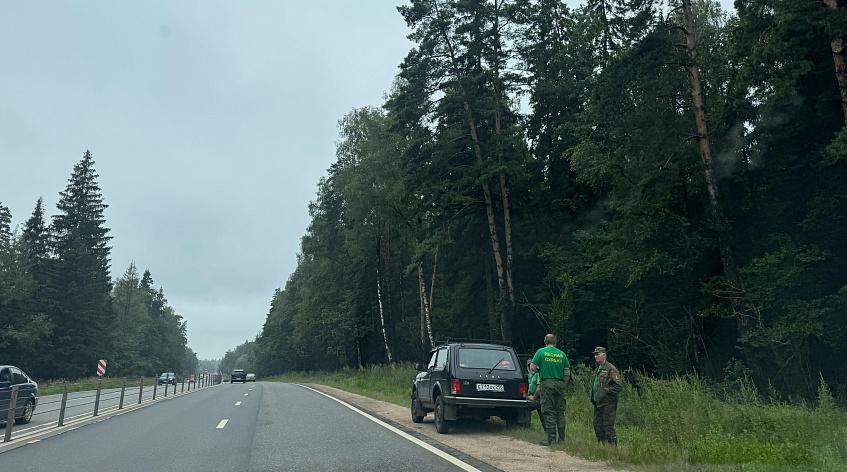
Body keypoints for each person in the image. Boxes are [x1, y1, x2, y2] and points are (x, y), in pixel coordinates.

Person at [530, 334, 570, 445]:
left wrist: (541, 371)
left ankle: (551, 439)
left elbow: (532, 367)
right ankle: (561, 439)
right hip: (559, 383)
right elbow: (567, 372)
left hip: (546, 383)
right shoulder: (562, 354)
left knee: (548, 411)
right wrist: (563, 385)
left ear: (545, 341)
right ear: (556, 342)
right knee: (559, 411)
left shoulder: (541, 352)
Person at [591, 346, 622, 446]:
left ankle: (613, 447)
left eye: (598, 354)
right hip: (598, 402)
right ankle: (602, 446)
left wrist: (606, 391)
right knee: (597, 426)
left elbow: (618, 386)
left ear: (604, 355)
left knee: (608, 426)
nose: (596, 356)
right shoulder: (598, 369)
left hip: (608, 403)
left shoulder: (611, 369)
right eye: (595, 354)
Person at [525, 359, 544, 427]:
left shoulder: (537, 374)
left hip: (539, 397)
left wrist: (533, 397)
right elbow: (530, 386)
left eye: (532, 365)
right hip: (533, 396)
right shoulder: (530, 375)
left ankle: (526, 425)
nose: (530, 367)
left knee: (527, 407)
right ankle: (526, 425)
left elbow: (539, 387)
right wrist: (526, 396)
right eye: (529, 365)